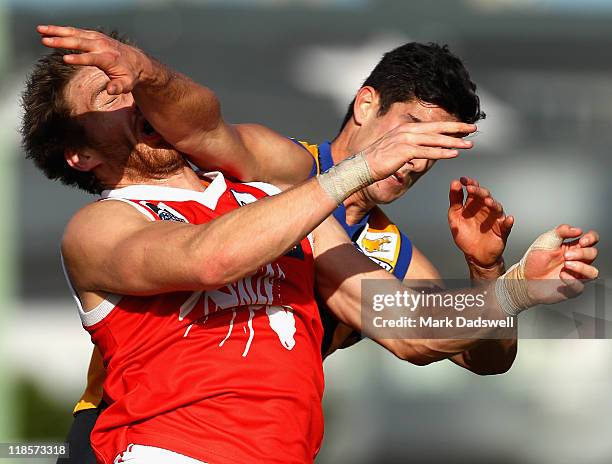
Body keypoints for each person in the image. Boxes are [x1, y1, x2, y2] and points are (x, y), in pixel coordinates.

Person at [24, 26, 599, 463]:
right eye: (414, 131)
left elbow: (436, 338)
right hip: (149, 435)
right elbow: (210, 216)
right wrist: (146, 74)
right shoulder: (278, 169)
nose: (419, 156)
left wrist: (504, 277)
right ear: (367, 103)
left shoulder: (355, 235)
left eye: (440, 145)